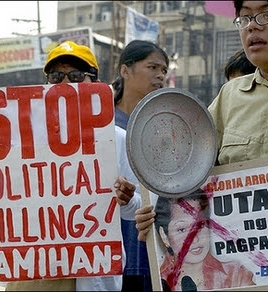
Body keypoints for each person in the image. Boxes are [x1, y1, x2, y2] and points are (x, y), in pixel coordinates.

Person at [136, 1, 268, 290]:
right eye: (244, 17)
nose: (252, 25)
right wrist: (157, 215)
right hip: (242, 279)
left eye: (266, 14)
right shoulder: (229, 97)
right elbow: (190, 187)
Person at [0, 40, 140, 291]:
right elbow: (10, 205)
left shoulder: (116, 138)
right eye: (57, 76)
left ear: (95, 83)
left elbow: (137, 211)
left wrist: (128, 199)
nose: (66, 85)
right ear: (46, 83)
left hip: (89, 274)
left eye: (77, 76)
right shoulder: (18, 137)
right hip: (32, 274)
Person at [111, 40, 170, 292]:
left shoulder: (165, 124)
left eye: (164, 71)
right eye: (153, 67)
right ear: (125, 70)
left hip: (151, 247)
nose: (160, 76)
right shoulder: (100, 123)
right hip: (111, 246)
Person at [154, 191, 255, 291]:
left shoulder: (236, 275)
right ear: (164, 235)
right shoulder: (154, 281)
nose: (195, 238)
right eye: (182, 229)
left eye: (200, 225)